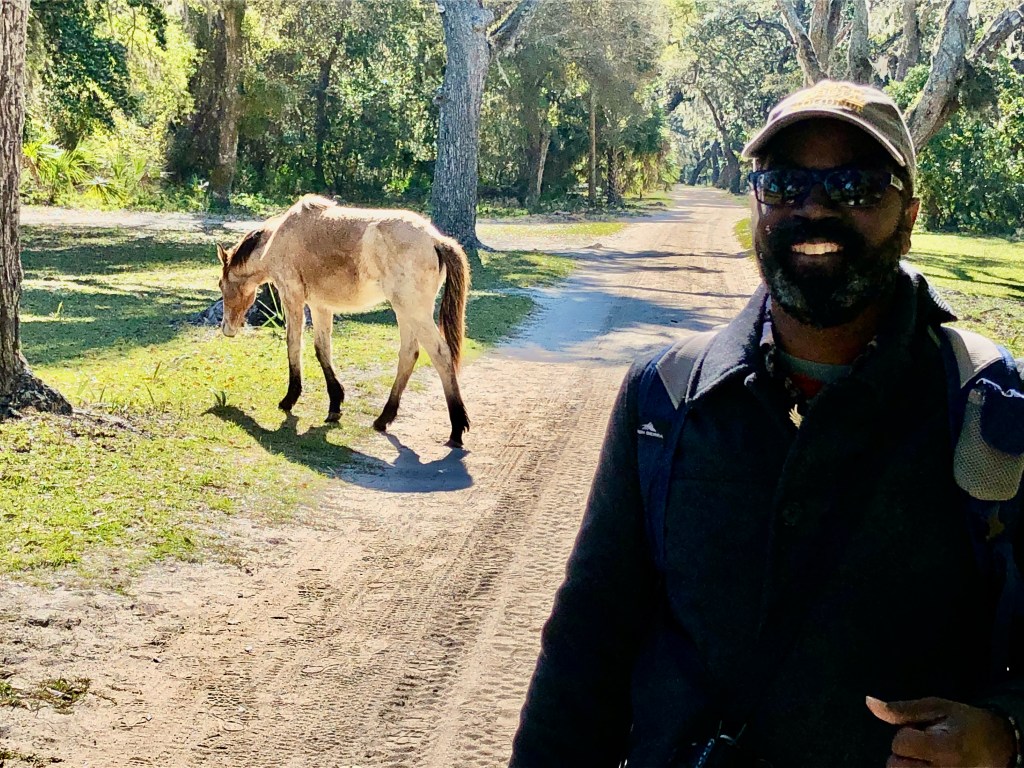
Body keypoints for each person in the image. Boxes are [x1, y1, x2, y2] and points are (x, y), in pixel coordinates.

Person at [508, 80, 1024, 768]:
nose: (815, 208)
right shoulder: (665, 398)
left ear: (909, 215)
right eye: (784, 185)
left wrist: (1006, 735)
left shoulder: (990, 406)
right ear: (755, 203)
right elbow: (587, 643)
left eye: (857, 187)